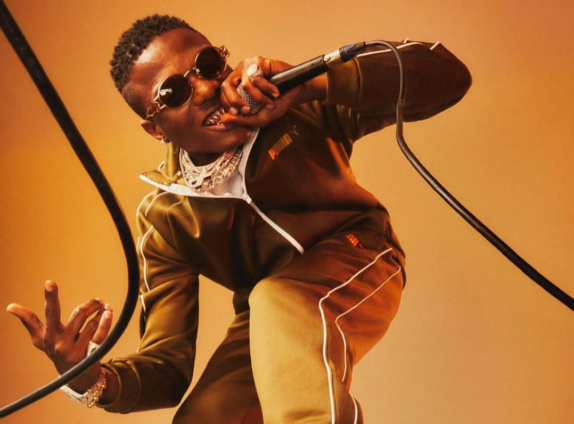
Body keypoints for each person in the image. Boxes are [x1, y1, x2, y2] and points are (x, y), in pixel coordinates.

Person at [7, 14, 471, 424]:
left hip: (361, 256)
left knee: (276, 301)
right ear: (155, 128)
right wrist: (90, 377)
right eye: (174, 92)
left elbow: (448, 77)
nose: (206, 89)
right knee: (206, 417)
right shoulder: (166, 218)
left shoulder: (292, 108)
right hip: (269, 315)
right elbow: (167, 367)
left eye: (208, 65)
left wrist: (311, 84)